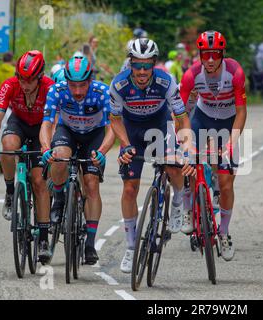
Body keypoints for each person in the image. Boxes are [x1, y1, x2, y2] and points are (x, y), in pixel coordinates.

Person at [108, 38, 195, 273]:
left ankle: (178, 199)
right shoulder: (119, 84)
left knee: (174, 166)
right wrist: (125, 145)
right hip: (132, 130)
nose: (143, 71)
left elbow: (181, 117)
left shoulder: (166, 81)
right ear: (131, 64)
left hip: (159, 126)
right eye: (137, 65)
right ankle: (130, 246)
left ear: (154, 64)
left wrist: (185, 148)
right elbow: (114, 119)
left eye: (147, 65)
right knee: (129, 189)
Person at [40, 55, 115, 265]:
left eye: (82, 85)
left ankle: (90, 243)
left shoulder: (102, 92)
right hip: (68, 132)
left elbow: (112, 129)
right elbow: (46, 124)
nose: (78, 91)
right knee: (59, 157)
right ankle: (59, 197)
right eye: (73, 85)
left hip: (94, 135)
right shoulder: (57, 90)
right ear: (67, 82)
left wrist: (102, 151)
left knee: (91, 183)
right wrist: (46, 148)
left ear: (90, 80)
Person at [180, 30, 248, 261]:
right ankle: (189, 209)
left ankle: (225, 232)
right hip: (202, 117)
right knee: (191, 163)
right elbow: (179, 110)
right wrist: (187, 140)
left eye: (215, 54)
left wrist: (231, 143)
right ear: (200, 54)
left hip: (229, 121)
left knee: (226, 184)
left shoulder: (235, 72)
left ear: (222, 54)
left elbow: (241, 112)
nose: (210, 60)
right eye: (206, 54)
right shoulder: (191, 75)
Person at [0, 50, 54, 263]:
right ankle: (11, 191)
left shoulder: (50, 88)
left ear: (39, 76)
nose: (24, 84)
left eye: (29, 79)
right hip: (20, 123)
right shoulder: (9, 85)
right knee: (8, 144)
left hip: (43, 127)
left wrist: (47, 146)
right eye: (21, 78)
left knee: (40, 182)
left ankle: (42, 238)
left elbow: (53, 123)